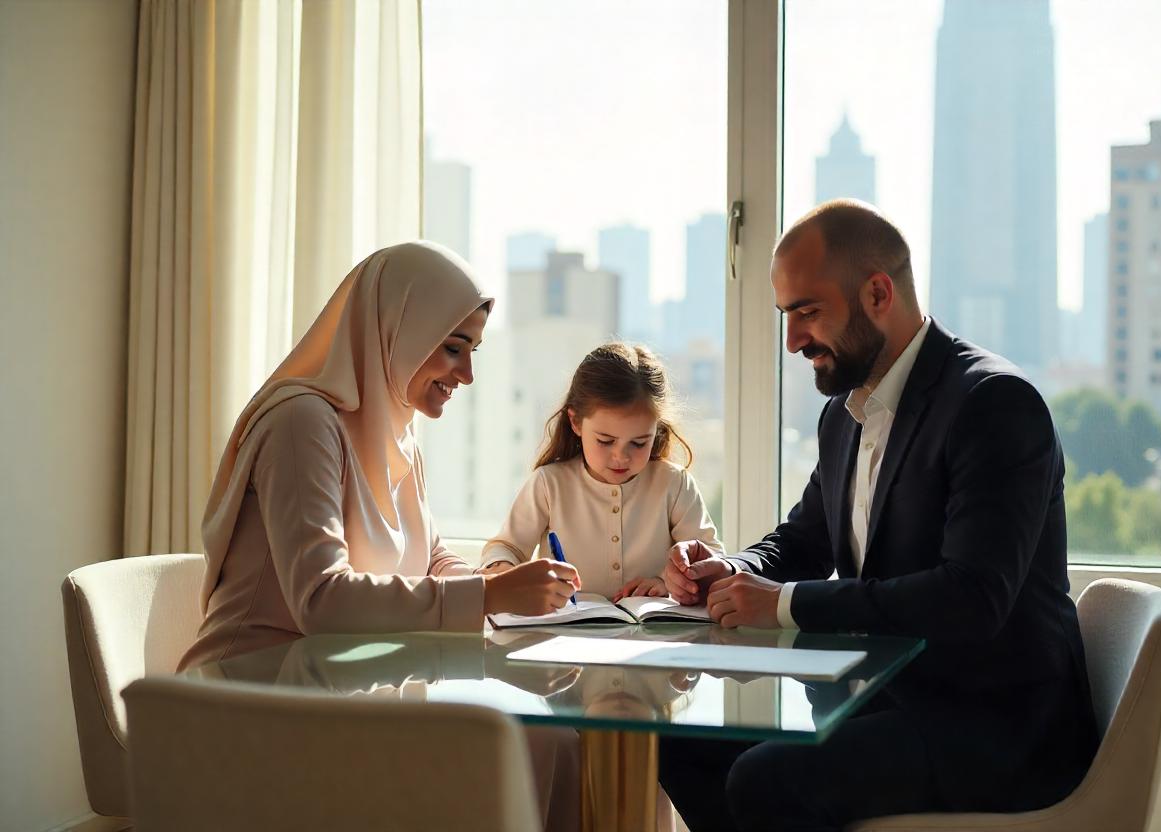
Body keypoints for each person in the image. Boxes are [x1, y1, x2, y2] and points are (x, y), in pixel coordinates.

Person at [659, 201, 1099, 832]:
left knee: (765, 780)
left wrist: (784, 605)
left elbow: (973, 597)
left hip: (997, 728)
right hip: (885, 701)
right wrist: (727, 572)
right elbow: (804, 540)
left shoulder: (994, 404)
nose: (792, 341)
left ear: (877, 293)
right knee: (673, 740)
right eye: (786, 316)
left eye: (807, 312)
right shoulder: (845, 414)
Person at [177, 242, 581, 831]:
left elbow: (430, 554)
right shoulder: (301, 423)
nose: (466, 375)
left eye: (472, 352)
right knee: (519, 746)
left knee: (555, 740)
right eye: (453, 348)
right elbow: (320, 598)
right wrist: (490, 599)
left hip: (350, 688)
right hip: (258, 698)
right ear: (398, 329)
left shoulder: (394, 430)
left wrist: (494, 583)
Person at [479, 342, 723, 601]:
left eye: (639, 442)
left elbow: (710, 559)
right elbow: (505, 548)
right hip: (564, 634)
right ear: (575, 422)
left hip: (647, 637)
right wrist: (504, 571)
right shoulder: (549, 484)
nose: (621, 456)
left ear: (656, 430)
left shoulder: (674, 484)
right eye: (605, 441)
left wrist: (667, 582)